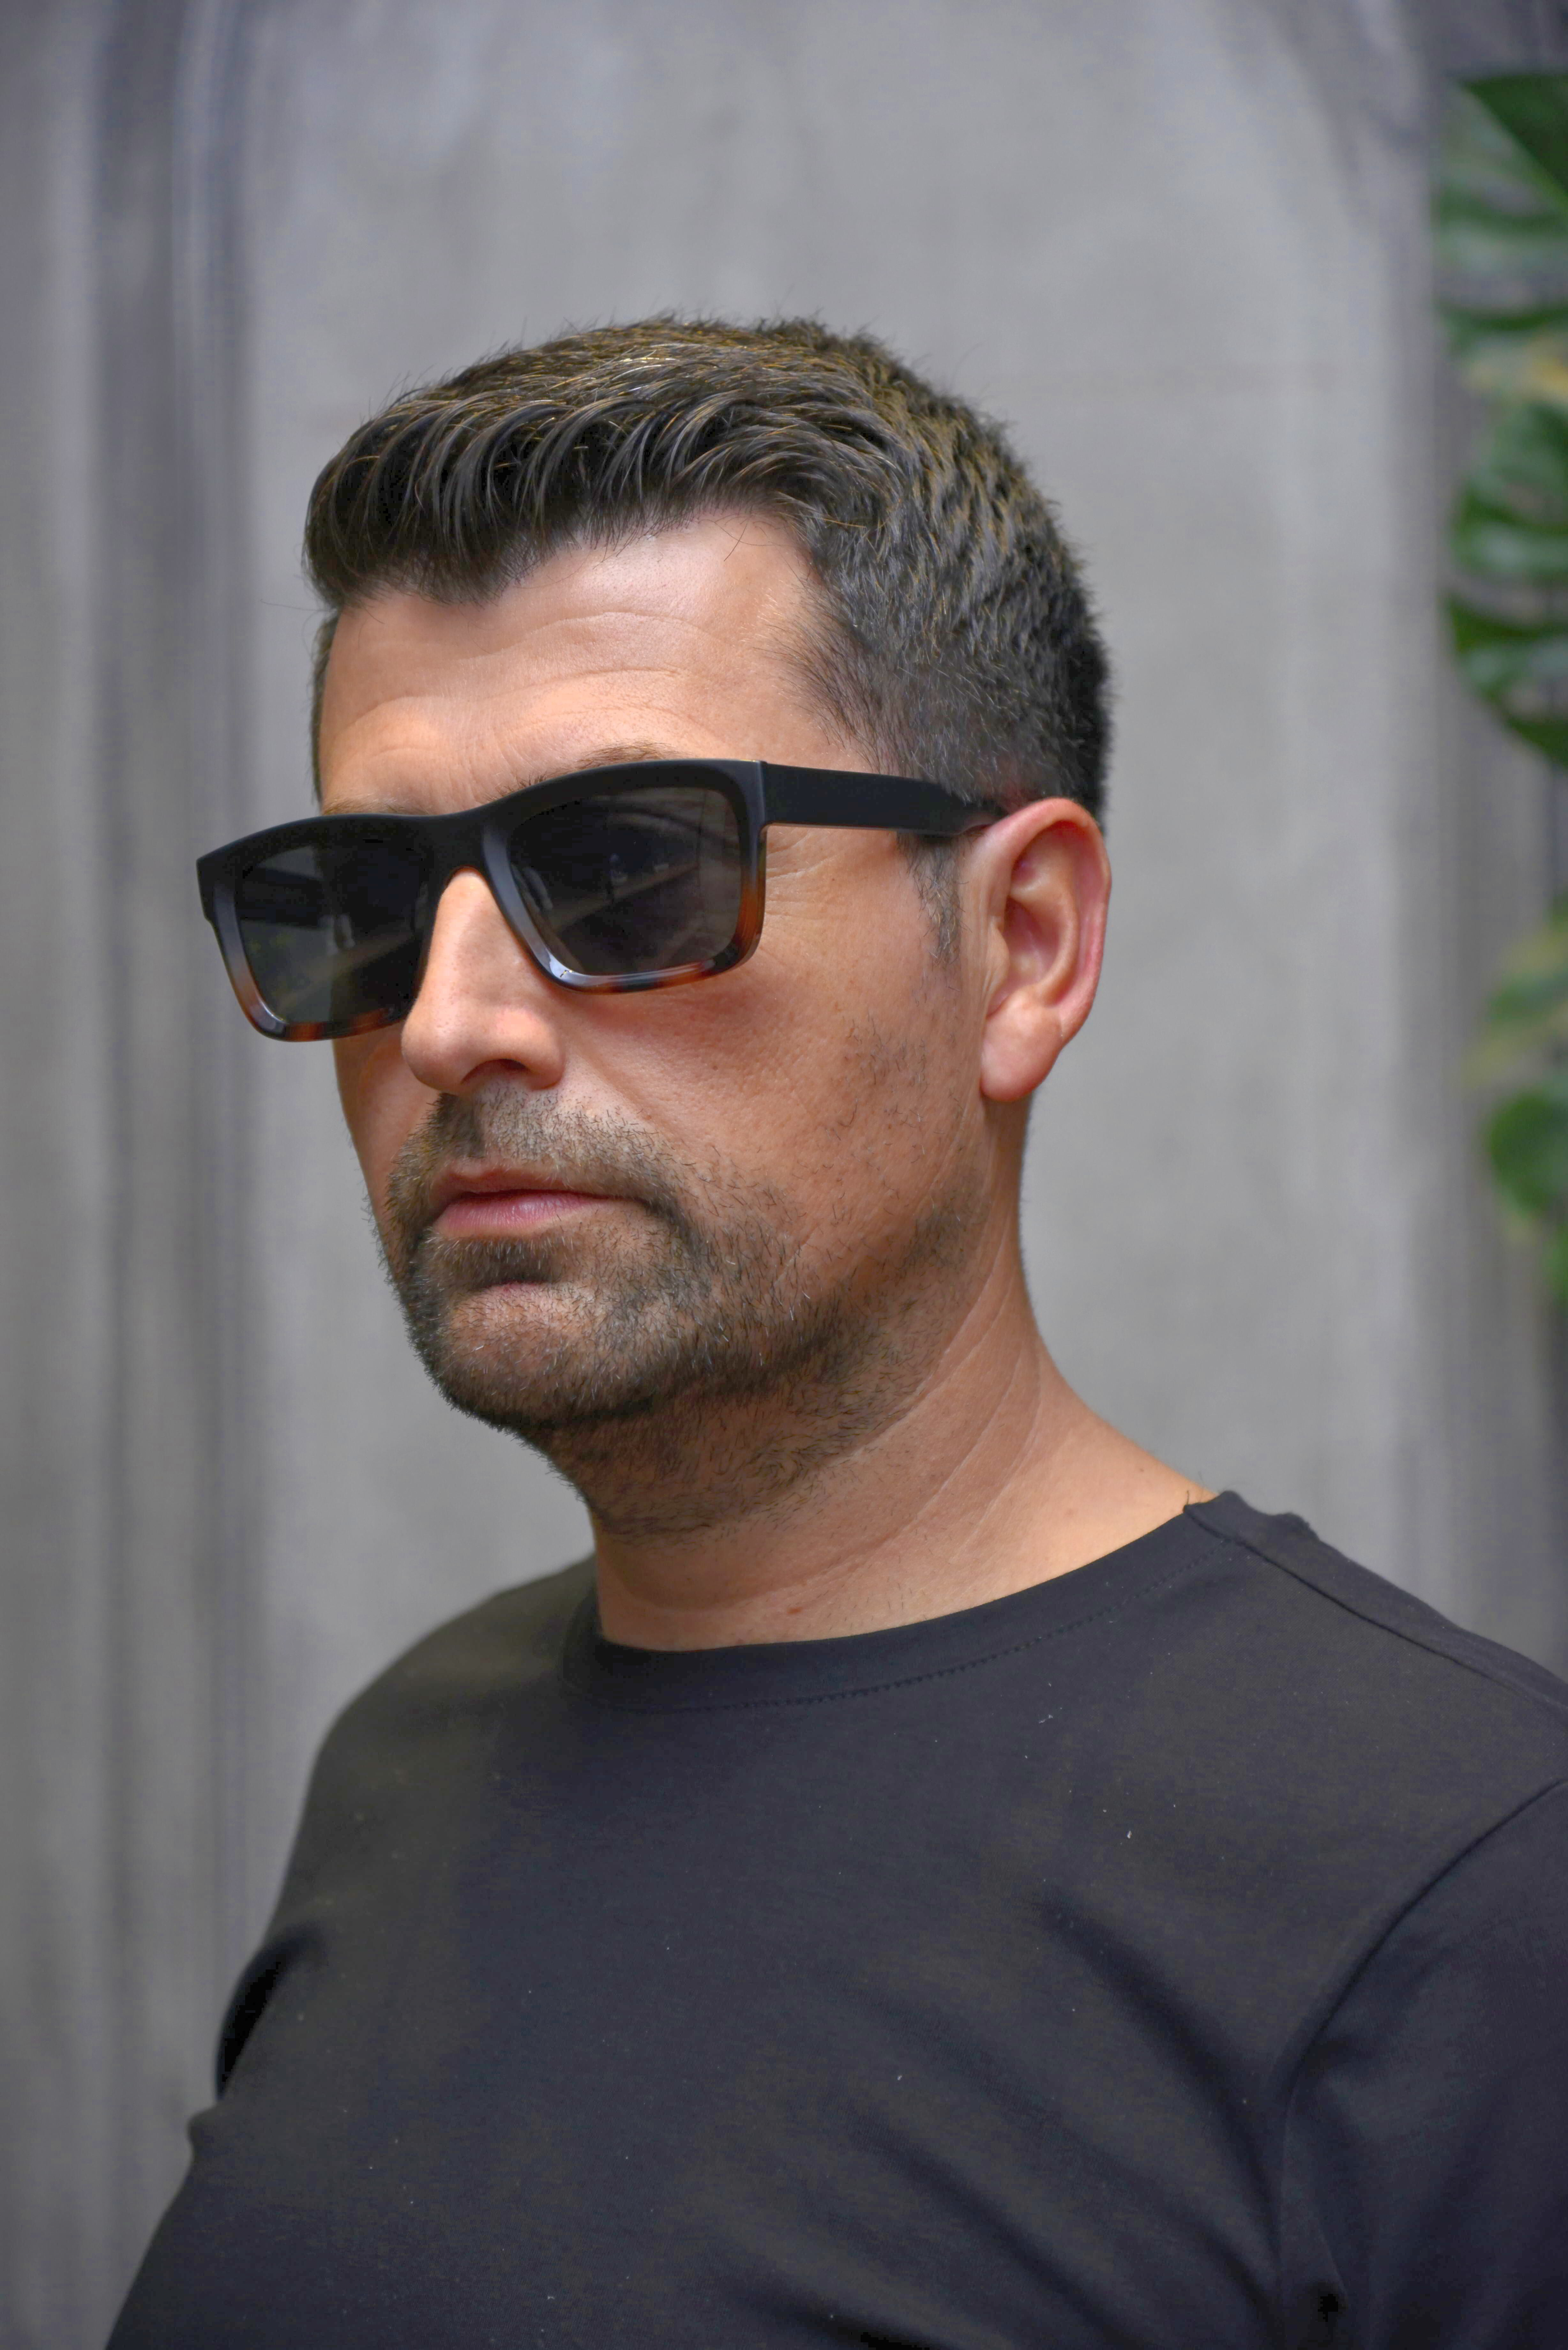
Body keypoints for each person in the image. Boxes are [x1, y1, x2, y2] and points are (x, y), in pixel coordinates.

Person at [110, 318, 1568, 2350]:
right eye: (361, 897)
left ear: (1023, 947)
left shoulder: (1472, 1900)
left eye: (626, 868)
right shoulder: (406, 1758)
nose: (445, 1023)